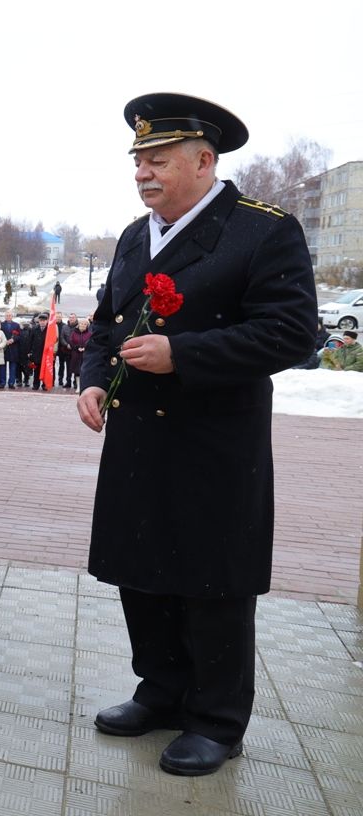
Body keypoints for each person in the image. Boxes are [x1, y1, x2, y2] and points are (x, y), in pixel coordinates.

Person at [78, 93, 317, 777]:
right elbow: (106, 326)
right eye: (138, 161)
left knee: (212, 581)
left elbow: (292, 332)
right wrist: (94, 379)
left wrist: (186, 355)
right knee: (141, 572)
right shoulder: (133, 236)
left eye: (157, 160)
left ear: (204, 161)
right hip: (137, 443)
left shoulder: (262, 231)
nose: (142, 174)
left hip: (213, 443)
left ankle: (215, 720)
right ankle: (161, 691)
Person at [67, 317, 92, 391]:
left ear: (87, 325)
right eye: (81, 323)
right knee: (77, 371)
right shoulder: (74, 333)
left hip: (85, 355)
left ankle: (84, 386)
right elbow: (71, 341)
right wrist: (77, 347)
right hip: (76, 354)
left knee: (84, 371)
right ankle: (78, 386)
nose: (83, 325)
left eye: (85, 324)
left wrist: (85, 348)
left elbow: (91, 343)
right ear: (78, 324)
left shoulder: (89, 334)